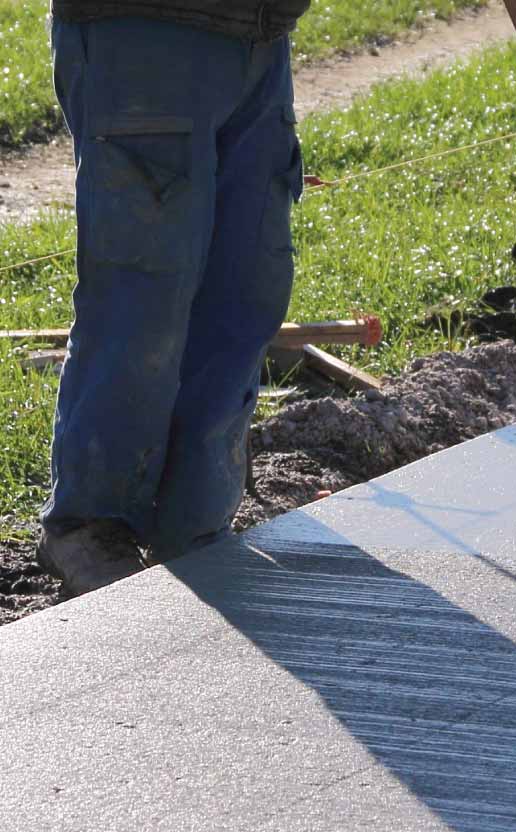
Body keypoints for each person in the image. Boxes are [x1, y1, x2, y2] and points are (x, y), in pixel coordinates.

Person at [38, 0, 311, 595]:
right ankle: (90, 522)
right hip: (145, 34)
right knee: (143, 296)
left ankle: (194, 521)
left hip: (259, 37)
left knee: (246, 290)